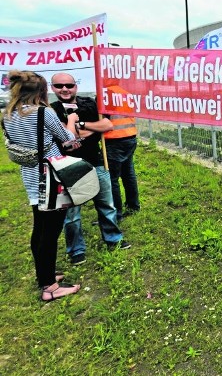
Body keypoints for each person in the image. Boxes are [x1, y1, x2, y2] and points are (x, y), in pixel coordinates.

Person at [2, 70, 81, 301]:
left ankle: (43, 275)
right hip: (52, 176)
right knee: (51, 233)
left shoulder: (8, 115)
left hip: (30, 176)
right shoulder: (43, 113)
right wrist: (72, 121)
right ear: (42, 91)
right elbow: (67, 138)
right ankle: (50, 288)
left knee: (39, 229)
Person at [50, 72, 131, 266]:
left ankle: (113, 238)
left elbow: (107, 124)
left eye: (69, 85)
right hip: (66, 166)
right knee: (71, 214)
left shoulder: (90, 103)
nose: (65, 89)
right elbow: (65, 135)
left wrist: (82, 125)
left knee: (107, 204)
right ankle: (76, 250)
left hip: (96, 161)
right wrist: (85, 130)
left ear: (75, 86)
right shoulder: (50, 110)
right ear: (52, 88)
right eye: (59, 85)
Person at [104, 114, 141, 220]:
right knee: (128, 174)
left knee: (112, 178)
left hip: (114, 138)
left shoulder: (106, 97)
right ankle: (133, 206)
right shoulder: (127, 96)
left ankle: (116, 213)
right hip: (130, 135)